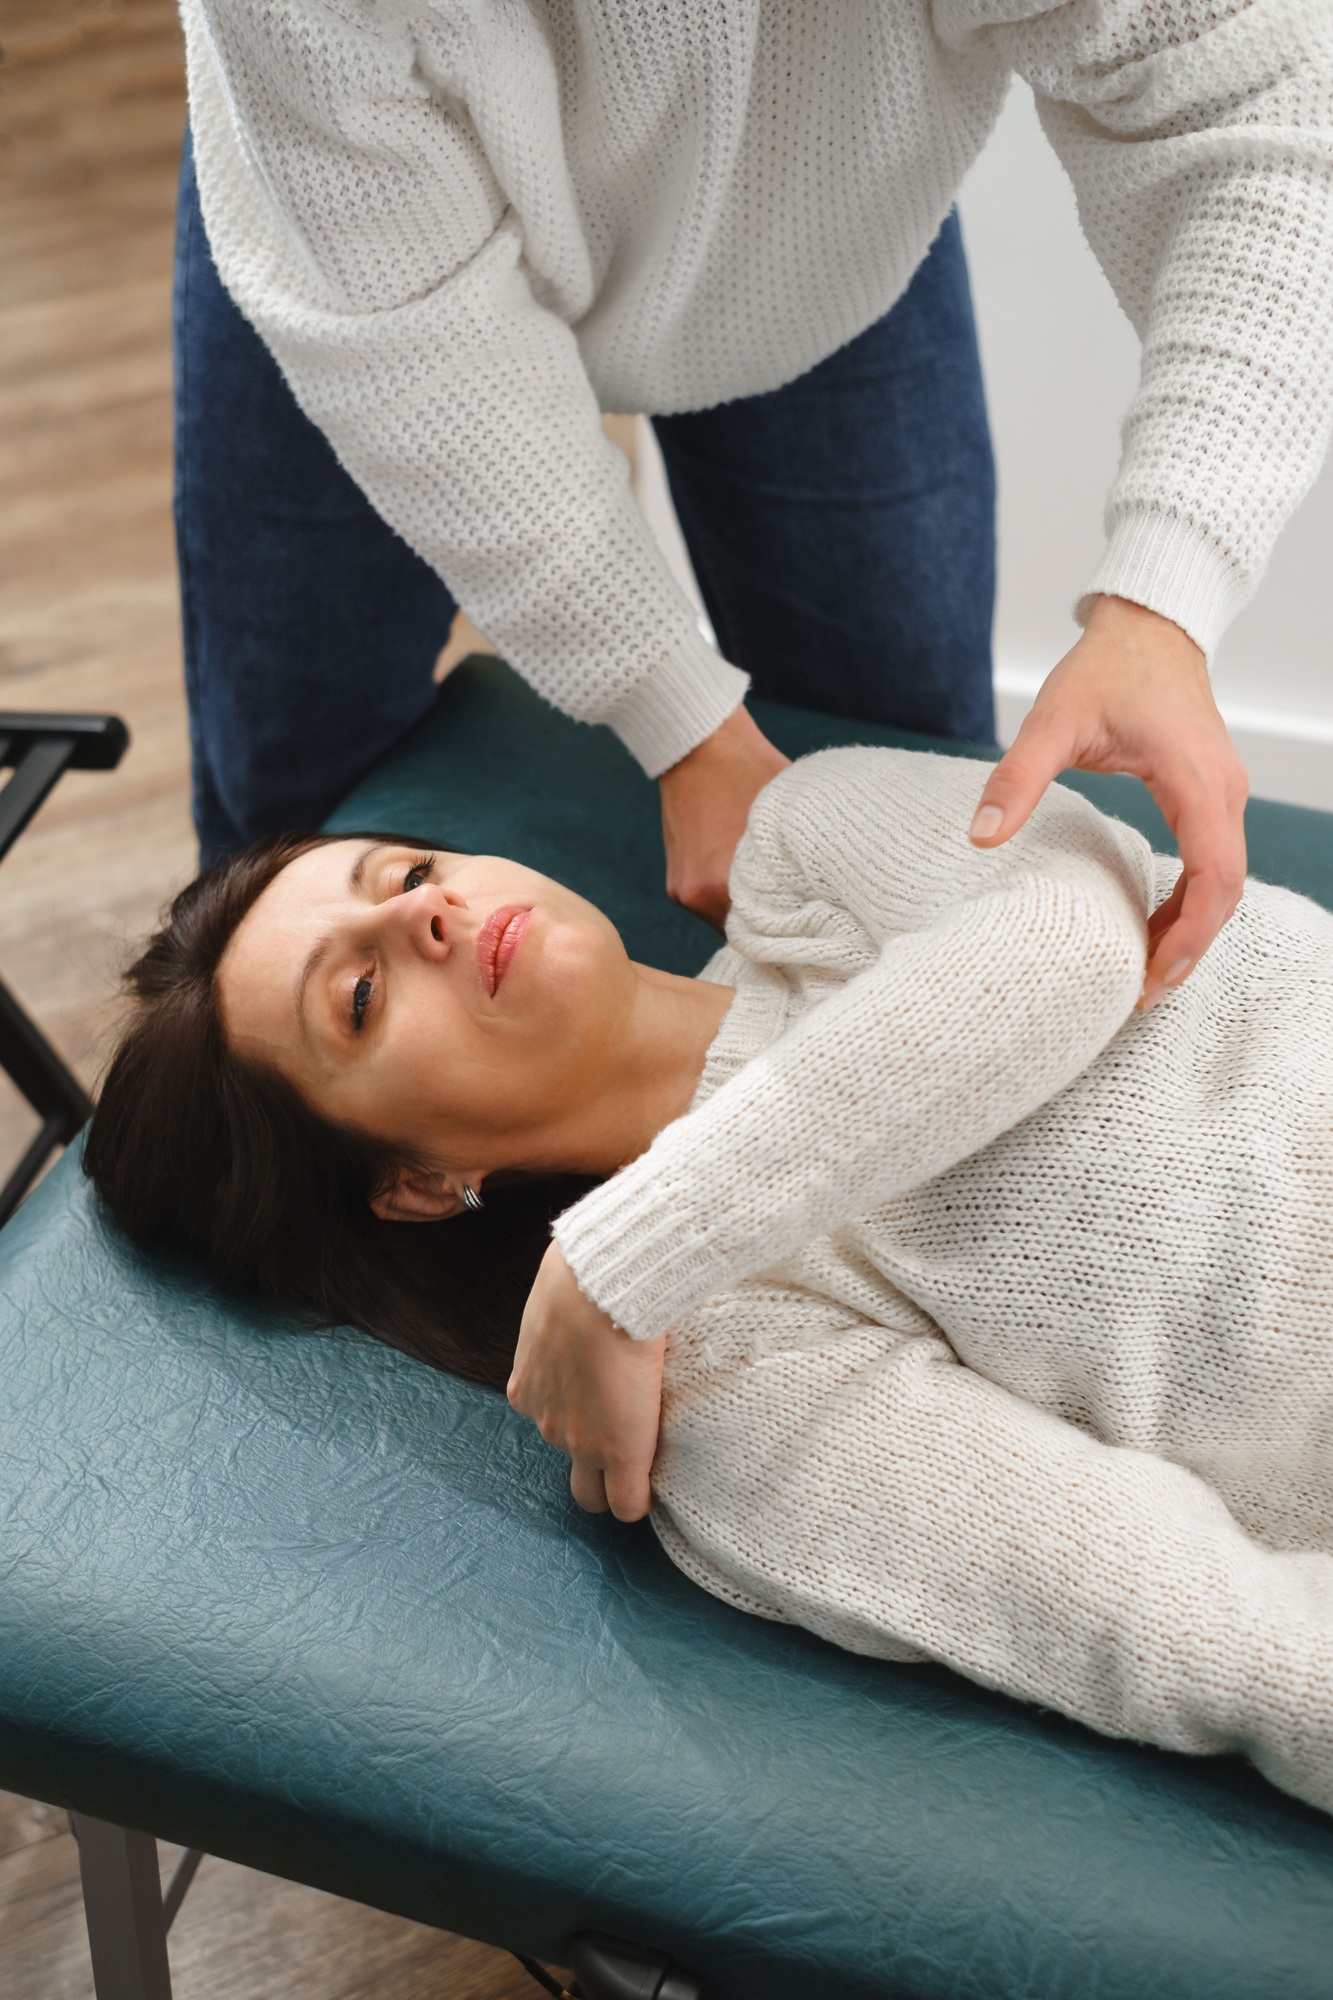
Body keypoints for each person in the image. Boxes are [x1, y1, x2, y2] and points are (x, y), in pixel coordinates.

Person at [86, 745, 1333, 1818]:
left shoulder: (802, 842)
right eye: (359, 996)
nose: (431, 916)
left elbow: (1071, 940)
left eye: (409, 873)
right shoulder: (712, 1363)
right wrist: (651, 1269)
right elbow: (1199, 1627)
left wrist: (632, 1242)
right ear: (416, 1181)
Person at [175, 0, 1332, 1009]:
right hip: (358, 254)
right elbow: (420, 353)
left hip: (819, 233)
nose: (426, 917)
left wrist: (1164, 601)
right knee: (292, 794)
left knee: (901, 738)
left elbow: (1266, 106)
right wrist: (676, 716)